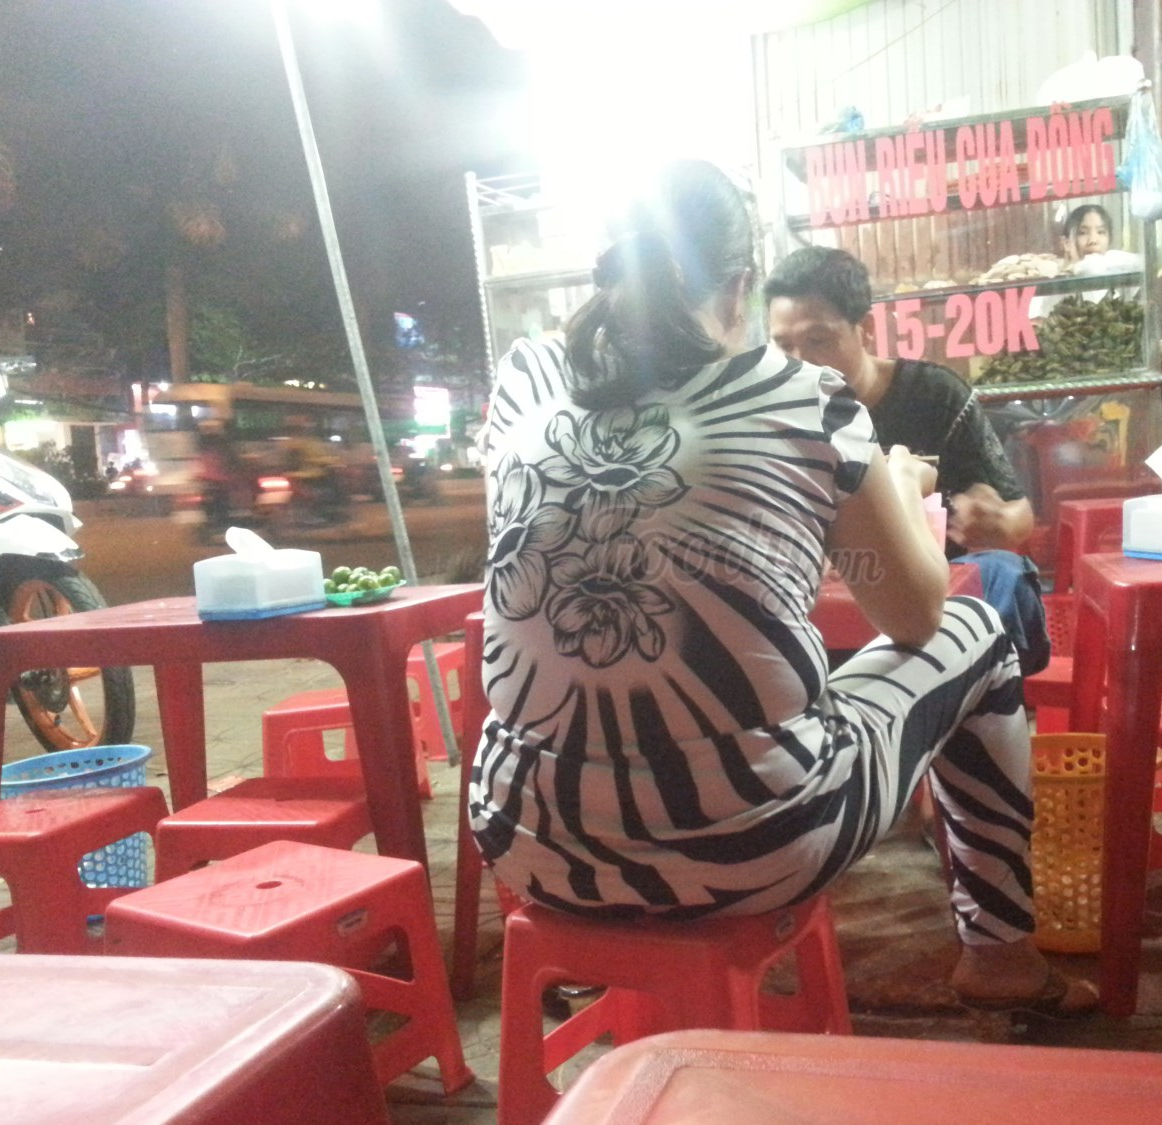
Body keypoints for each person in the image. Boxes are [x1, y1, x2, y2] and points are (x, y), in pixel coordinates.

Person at [468, 160, 1095, 1017]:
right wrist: (897, 484)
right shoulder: (801, 399)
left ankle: (595, 944)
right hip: (753, 846)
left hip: (521, 837)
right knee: (979, 633)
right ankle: (1000, 955)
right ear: (740, 290)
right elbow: (913, 614)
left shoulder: (527, 381)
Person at [764, 246, 1050, 676]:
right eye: (784, 346)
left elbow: (1018, 514)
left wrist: (997, 523)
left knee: (1006, 574)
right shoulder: (775, 414)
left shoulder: (934, 396)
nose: (800, 363)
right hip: (826, 597)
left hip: (942, 588)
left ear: (866, 329)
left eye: (818, 341)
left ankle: (979, 693)